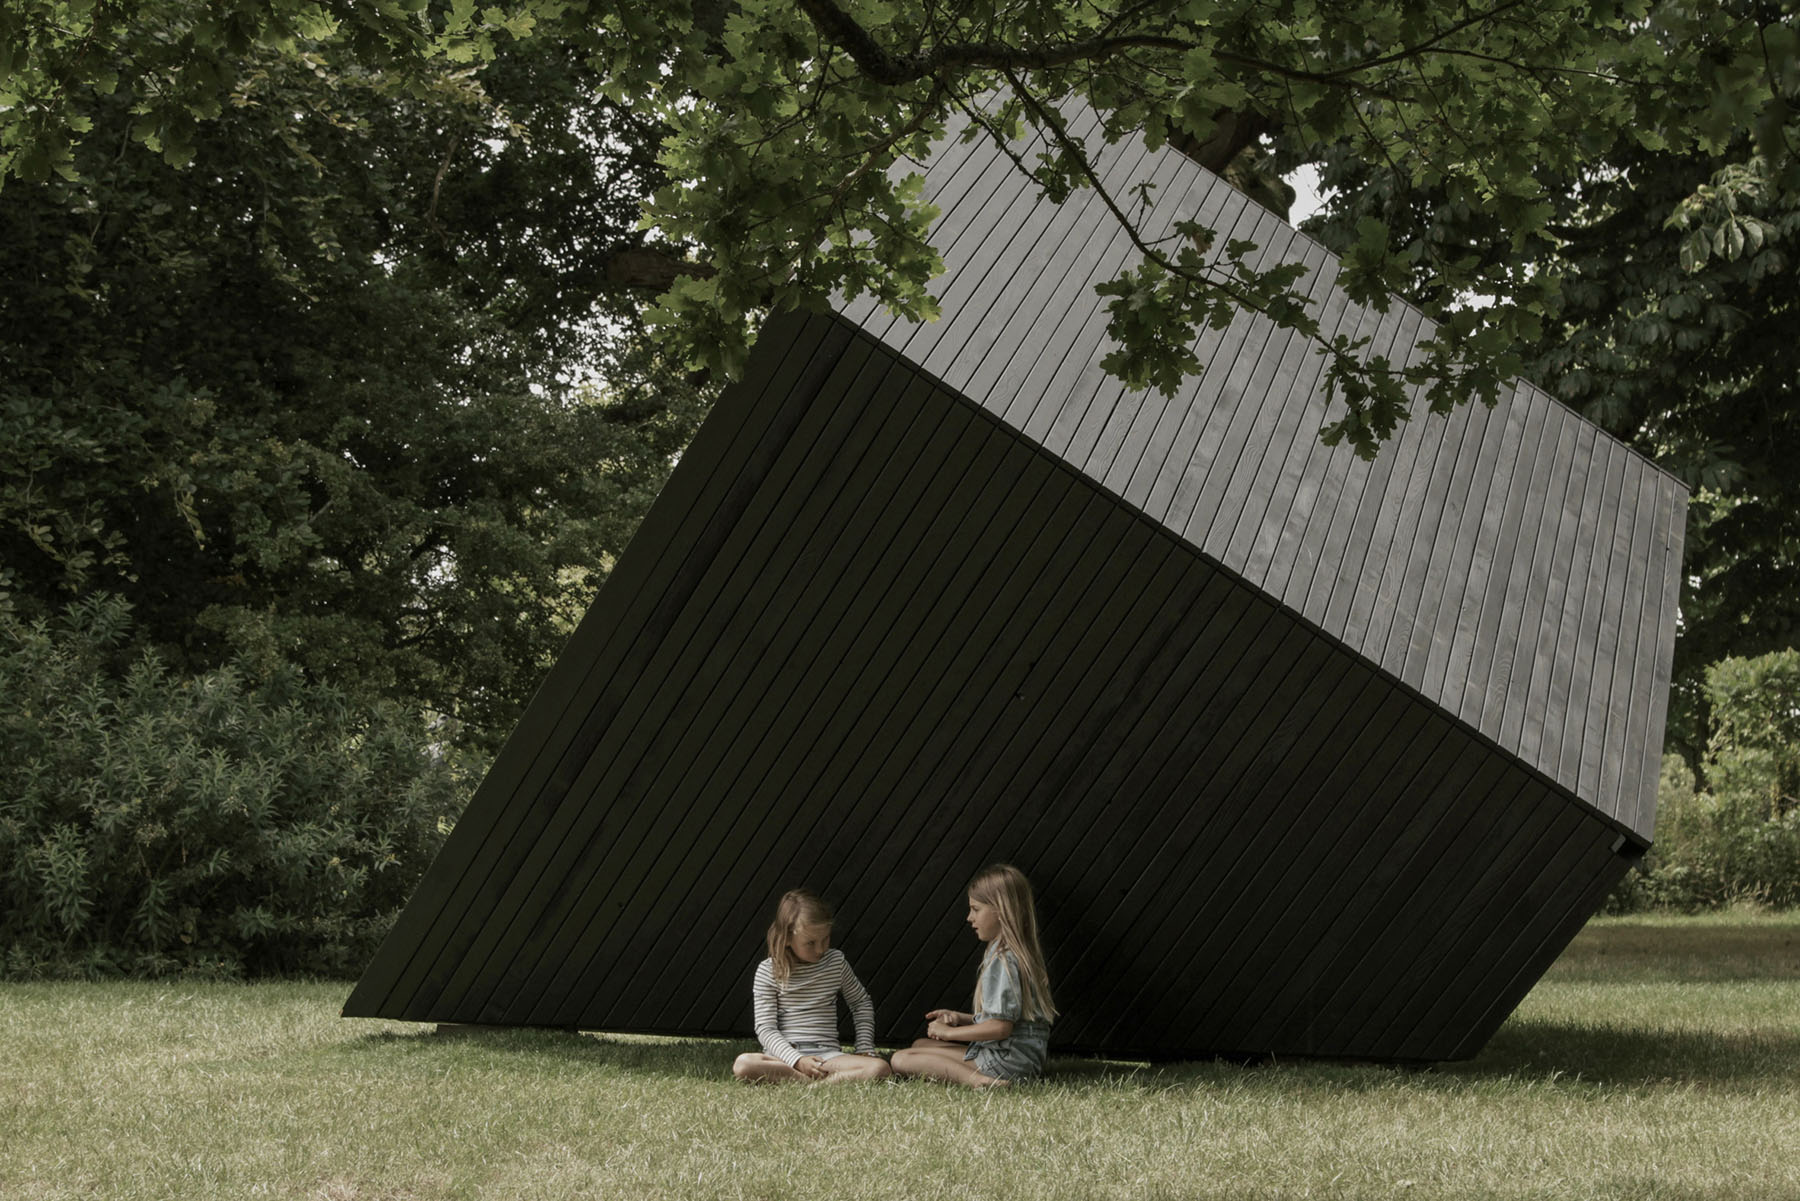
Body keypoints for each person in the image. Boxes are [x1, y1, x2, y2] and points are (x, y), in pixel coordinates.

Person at [891, 863, 1056, 1087]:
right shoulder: (1014, 954)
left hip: (1006, 1063)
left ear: (1001, 910)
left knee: (900, 1060)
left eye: (976, 909)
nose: (970, 917)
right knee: (920, 1045)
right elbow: (1007, 1018)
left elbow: (1000, 1028)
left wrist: (950, 1034)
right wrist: (959, 1018)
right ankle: (981, 1076)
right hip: (1020, 1060)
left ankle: (978, 1081)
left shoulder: (1003, 961)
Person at [731, 888, 891, 1083]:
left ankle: (812, 1085)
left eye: (826, 939)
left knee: (880, 1068)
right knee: (744, 1064)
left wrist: (864, 1048)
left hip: (827, 1057)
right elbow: (766, 1028)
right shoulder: (768, 971)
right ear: (788, 938)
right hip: (784, 1057)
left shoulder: (836, 962)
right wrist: (797, 1060)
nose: (820, 949)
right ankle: (812, 1080)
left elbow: (861, 1003)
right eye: (810, 943)